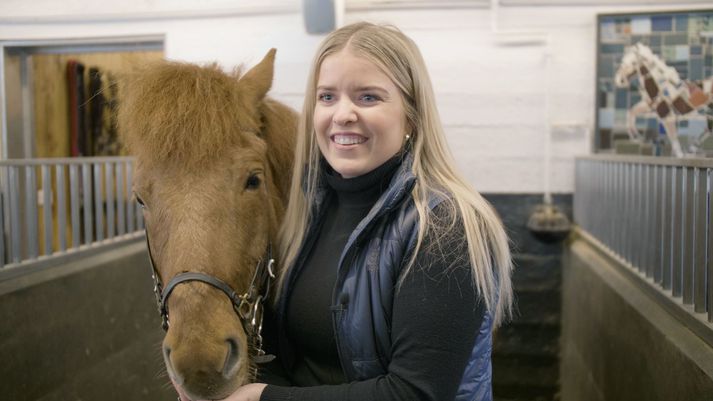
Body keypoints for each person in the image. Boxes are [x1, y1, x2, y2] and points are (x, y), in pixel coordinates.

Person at [180, 21, 513, 401]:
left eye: (368, 97)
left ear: (412, 113)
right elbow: (285, 353)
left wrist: (261, 399)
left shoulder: (446, 228)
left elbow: (416, 393)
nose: (342, 114)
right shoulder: (305, 215)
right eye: (327, 97)